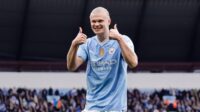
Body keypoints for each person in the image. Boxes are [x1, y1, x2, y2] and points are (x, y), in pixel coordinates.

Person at [67, 6, 138, 112]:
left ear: (109, 21)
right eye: (93, 21)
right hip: (92, 107)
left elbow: (133, 63)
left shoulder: (123, 40)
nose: (96, 24)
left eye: (100, 20)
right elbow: (72, 67)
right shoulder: (87, 44)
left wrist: (119, 39)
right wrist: (73, 45)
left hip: (116, 108)